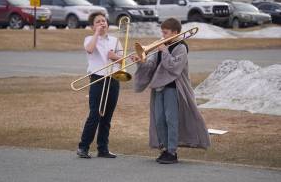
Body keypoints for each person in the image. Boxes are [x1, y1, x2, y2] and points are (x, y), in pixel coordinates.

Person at [131, 18, 210, 164]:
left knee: (171, 120)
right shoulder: (162, 45)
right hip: (159, 88)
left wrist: (165, 52)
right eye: (162, 31)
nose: (163, 34)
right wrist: (141, 61)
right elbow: (152, 65)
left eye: (165, 32)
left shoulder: (181, 47)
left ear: (175, 32)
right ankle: (165, 149)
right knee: (159, 119)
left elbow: (174, 68)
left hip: (173, 88)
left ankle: (172, 152)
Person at [77, 12, 123, 159]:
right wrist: (97, 33)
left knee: (107, 116)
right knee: (95, 114)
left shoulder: (115, 41)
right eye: (98, 22)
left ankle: (103, 149)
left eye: (104, 21)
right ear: (92, 26)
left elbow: (123, 60)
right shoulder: (89, 39)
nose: (102, 23)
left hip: (113, 79)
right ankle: (83, 147)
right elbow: (89, 50)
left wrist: (115, 57)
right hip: (97, 79)